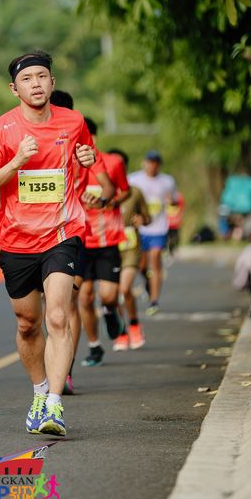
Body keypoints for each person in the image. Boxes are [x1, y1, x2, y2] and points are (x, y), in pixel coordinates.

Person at [0, 51, 104, 437]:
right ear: (14, 89)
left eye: (42, 76)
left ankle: (54, 405)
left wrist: (88, 157)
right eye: (27, 79)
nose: (36, 84)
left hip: (63, 233)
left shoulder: (73, 121)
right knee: (28, 323)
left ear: (52, 82)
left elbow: (86, 157)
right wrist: (16, 161)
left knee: (59, 316)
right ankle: (39, 391)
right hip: (17, 239)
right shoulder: (0, 129)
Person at [49, 91, 115, 393]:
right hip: (35, 236)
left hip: (72, 234)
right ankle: (55, 368)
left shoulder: (81, 146)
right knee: (44, 310)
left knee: (66, 304)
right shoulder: (28, 142)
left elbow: (108, 187)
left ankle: (65, 371)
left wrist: (99, 199)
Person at [78, 121, 130, 366]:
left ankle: (110, 311)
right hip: (80, 240)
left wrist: (108, 202)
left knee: (108, 296)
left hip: (108, 238)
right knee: (85, 297)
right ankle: (94, 346)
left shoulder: (113, 163)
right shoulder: (68, 165)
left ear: (95, 138)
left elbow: (125, 191)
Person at [107, 149, 151, 351]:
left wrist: (142, 219)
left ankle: (134, 325)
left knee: (125, 288)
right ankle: (122, 332)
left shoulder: (135, 192)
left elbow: (148, 217)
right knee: (113, 294)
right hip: (109, 247)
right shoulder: (102, 191)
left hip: (130, 247)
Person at [128, 151, 178, 315]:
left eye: (155, 163)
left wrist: (172, 201)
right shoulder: (134, 179)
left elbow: (175, 201)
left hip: (158, 227)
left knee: (155, 259)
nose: (152, 166)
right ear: (144, 163)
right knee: (141, 265)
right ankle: (148, 283)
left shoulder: (167, 181)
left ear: (159, 165)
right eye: (149, 162)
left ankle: (154, 301)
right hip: (139, 229)